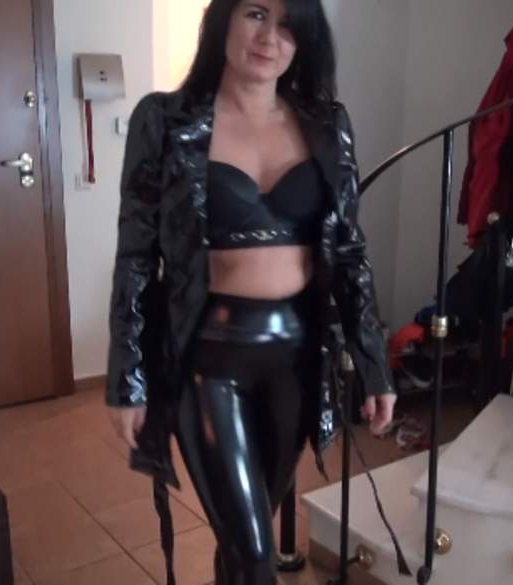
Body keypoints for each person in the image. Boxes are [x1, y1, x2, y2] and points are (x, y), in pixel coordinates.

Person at [106, 1, 397, 583]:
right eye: (257, 14)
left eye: (288, 24)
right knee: (256, 553)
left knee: (246, 533)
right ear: (224, 19)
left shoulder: (326, 123)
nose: (270, 37)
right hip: (208, 358)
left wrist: (373, 363)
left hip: (297, 358)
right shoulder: (165, 120)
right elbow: (136, 256)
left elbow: (348, 252)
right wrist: (127, 379)